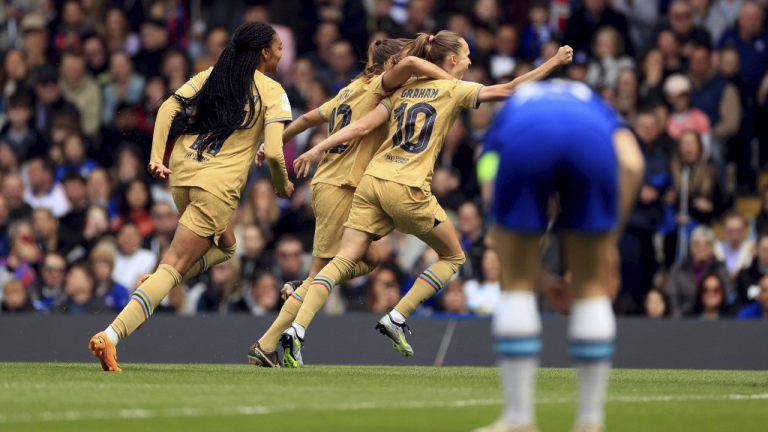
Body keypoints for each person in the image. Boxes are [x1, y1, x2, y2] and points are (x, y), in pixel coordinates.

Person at [290, 32, 572, 360]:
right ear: (452, 60)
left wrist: (317, 147)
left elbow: (362, 127)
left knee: (343, 259)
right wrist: (553, 62)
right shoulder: (452, 89)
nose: (469, 61)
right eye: (466, 55)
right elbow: (509, 89)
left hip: (371, 182)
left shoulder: (402, 88)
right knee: (453, 257)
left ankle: (296, 329)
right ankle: (397, 316)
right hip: (406, 187)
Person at [88, 22, 292, 372]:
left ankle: (153, 285)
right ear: (263, 52)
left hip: (182, 174)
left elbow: (168, 107)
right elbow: (274, 152)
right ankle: (111, 335)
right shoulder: (273, 92)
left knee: (227, 246)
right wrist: (282, 184)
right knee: (174, 266)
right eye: (278, 47)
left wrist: (155, 157)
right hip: (216, 187)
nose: (281, 52)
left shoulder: (215, 74)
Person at [248, 38, 457, 368]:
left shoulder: (349, 90)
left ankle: (304, 288)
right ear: (390, 66)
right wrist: (453, 83)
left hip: (330, 185)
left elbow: (302, 121)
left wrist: (271, 143)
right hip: (341, 187)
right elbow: (410, 70)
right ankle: (267, 343)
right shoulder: (379, 87)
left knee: (372, 255)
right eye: (400, 63)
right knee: (323, 272)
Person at [472, 80, 644, 432]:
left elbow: (486, 168)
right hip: (590, 146)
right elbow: (632, 164)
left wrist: (535, 275)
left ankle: (519, 419)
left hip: (524, 144)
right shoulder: (596, 105)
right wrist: (608, 239)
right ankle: (590, 420)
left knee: (516, 283)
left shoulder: (514, 108)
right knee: (591, 287)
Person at [666, 225, 732, 317]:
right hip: (684, 318)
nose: (701, 248)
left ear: (711, 248)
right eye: (697, 244)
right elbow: (672, 298)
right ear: (691, 247)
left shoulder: (720, 269)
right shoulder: (679, 269)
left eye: (706, 245)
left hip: (714, 318)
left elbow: (727, 295)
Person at [714, 212, 754, 278]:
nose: (735, 235)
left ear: (745, 230)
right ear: (724, 230)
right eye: (731, 231)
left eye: (739, 231)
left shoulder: (752, 249)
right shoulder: (715, 249)